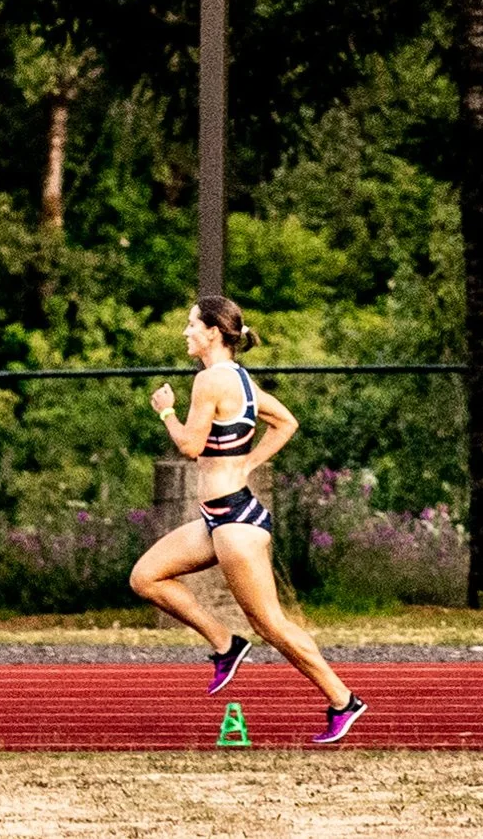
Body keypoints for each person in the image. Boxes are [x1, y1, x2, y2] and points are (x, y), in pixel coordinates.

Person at [132, 293, 369, 747]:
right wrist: (249, 463)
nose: (185, 332)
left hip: (236, 523)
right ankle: (225, 643)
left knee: (271, 624)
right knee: (146, 577)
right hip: (218, 517)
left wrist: (165, 411)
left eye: (191, 325)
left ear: (213, 333)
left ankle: (343, 700)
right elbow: (286, 422)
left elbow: (189, 446)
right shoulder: (239, 379)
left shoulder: (211, 381)